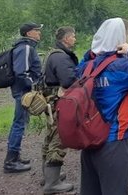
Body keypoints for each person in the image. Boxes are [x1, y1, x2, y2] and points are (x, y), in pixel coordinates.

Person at [78, 18, 128, 195]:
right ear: (120, 38)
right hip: (114, 140)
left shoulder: (87, 66)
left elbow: (74, 74)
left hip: (88, 138)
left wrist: (90, 53)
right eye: (127, 35)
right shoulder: (120, 66)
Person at [41, 26, 78, 193]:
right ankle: (52, 183)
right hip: (58, 102)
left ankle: (47, 177)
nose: (75, 39)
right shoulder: (62, 58)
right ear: (66, 38)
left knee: (49, 138)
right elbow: (68, 80)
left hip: (49, 102)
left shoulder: (52, 53)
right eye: (73, 36)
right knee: (59, 139)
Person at [4, 22, 43, 173]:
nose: (39, 33)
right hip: (23, 92)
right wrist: (33, 85)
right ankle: (11, 161)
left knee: (20, 122)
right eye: (36, 30)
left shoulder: (26, 46)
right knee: (19, 124)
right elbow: (22, 72)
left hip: (22, 91)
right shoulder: (26, 48)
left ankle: (15, 156)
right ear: (28, 33)